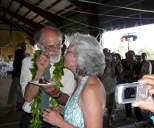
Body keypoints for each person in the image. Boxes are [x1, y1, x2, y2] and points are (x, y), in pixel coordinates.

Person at [42, 33, 106, 128]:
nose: (63, 54)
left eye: (68, 52)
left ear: (81, 57)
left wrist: (60, 123)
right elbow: (82, 114)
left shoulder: (90, 89)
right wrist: (64, 111)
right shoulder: (82, 82)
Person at [20, 26, 76, 128]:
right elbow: (28, 97)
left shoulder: (69, 66)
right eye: (50, 46)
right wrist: (39, 71)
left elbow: (70, 101)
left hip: (58, 119)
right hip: (31, 118)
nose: (56, 50)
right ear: (39, 46)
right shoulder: (27, 62)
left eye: (59, 45)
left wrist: (55, 93)